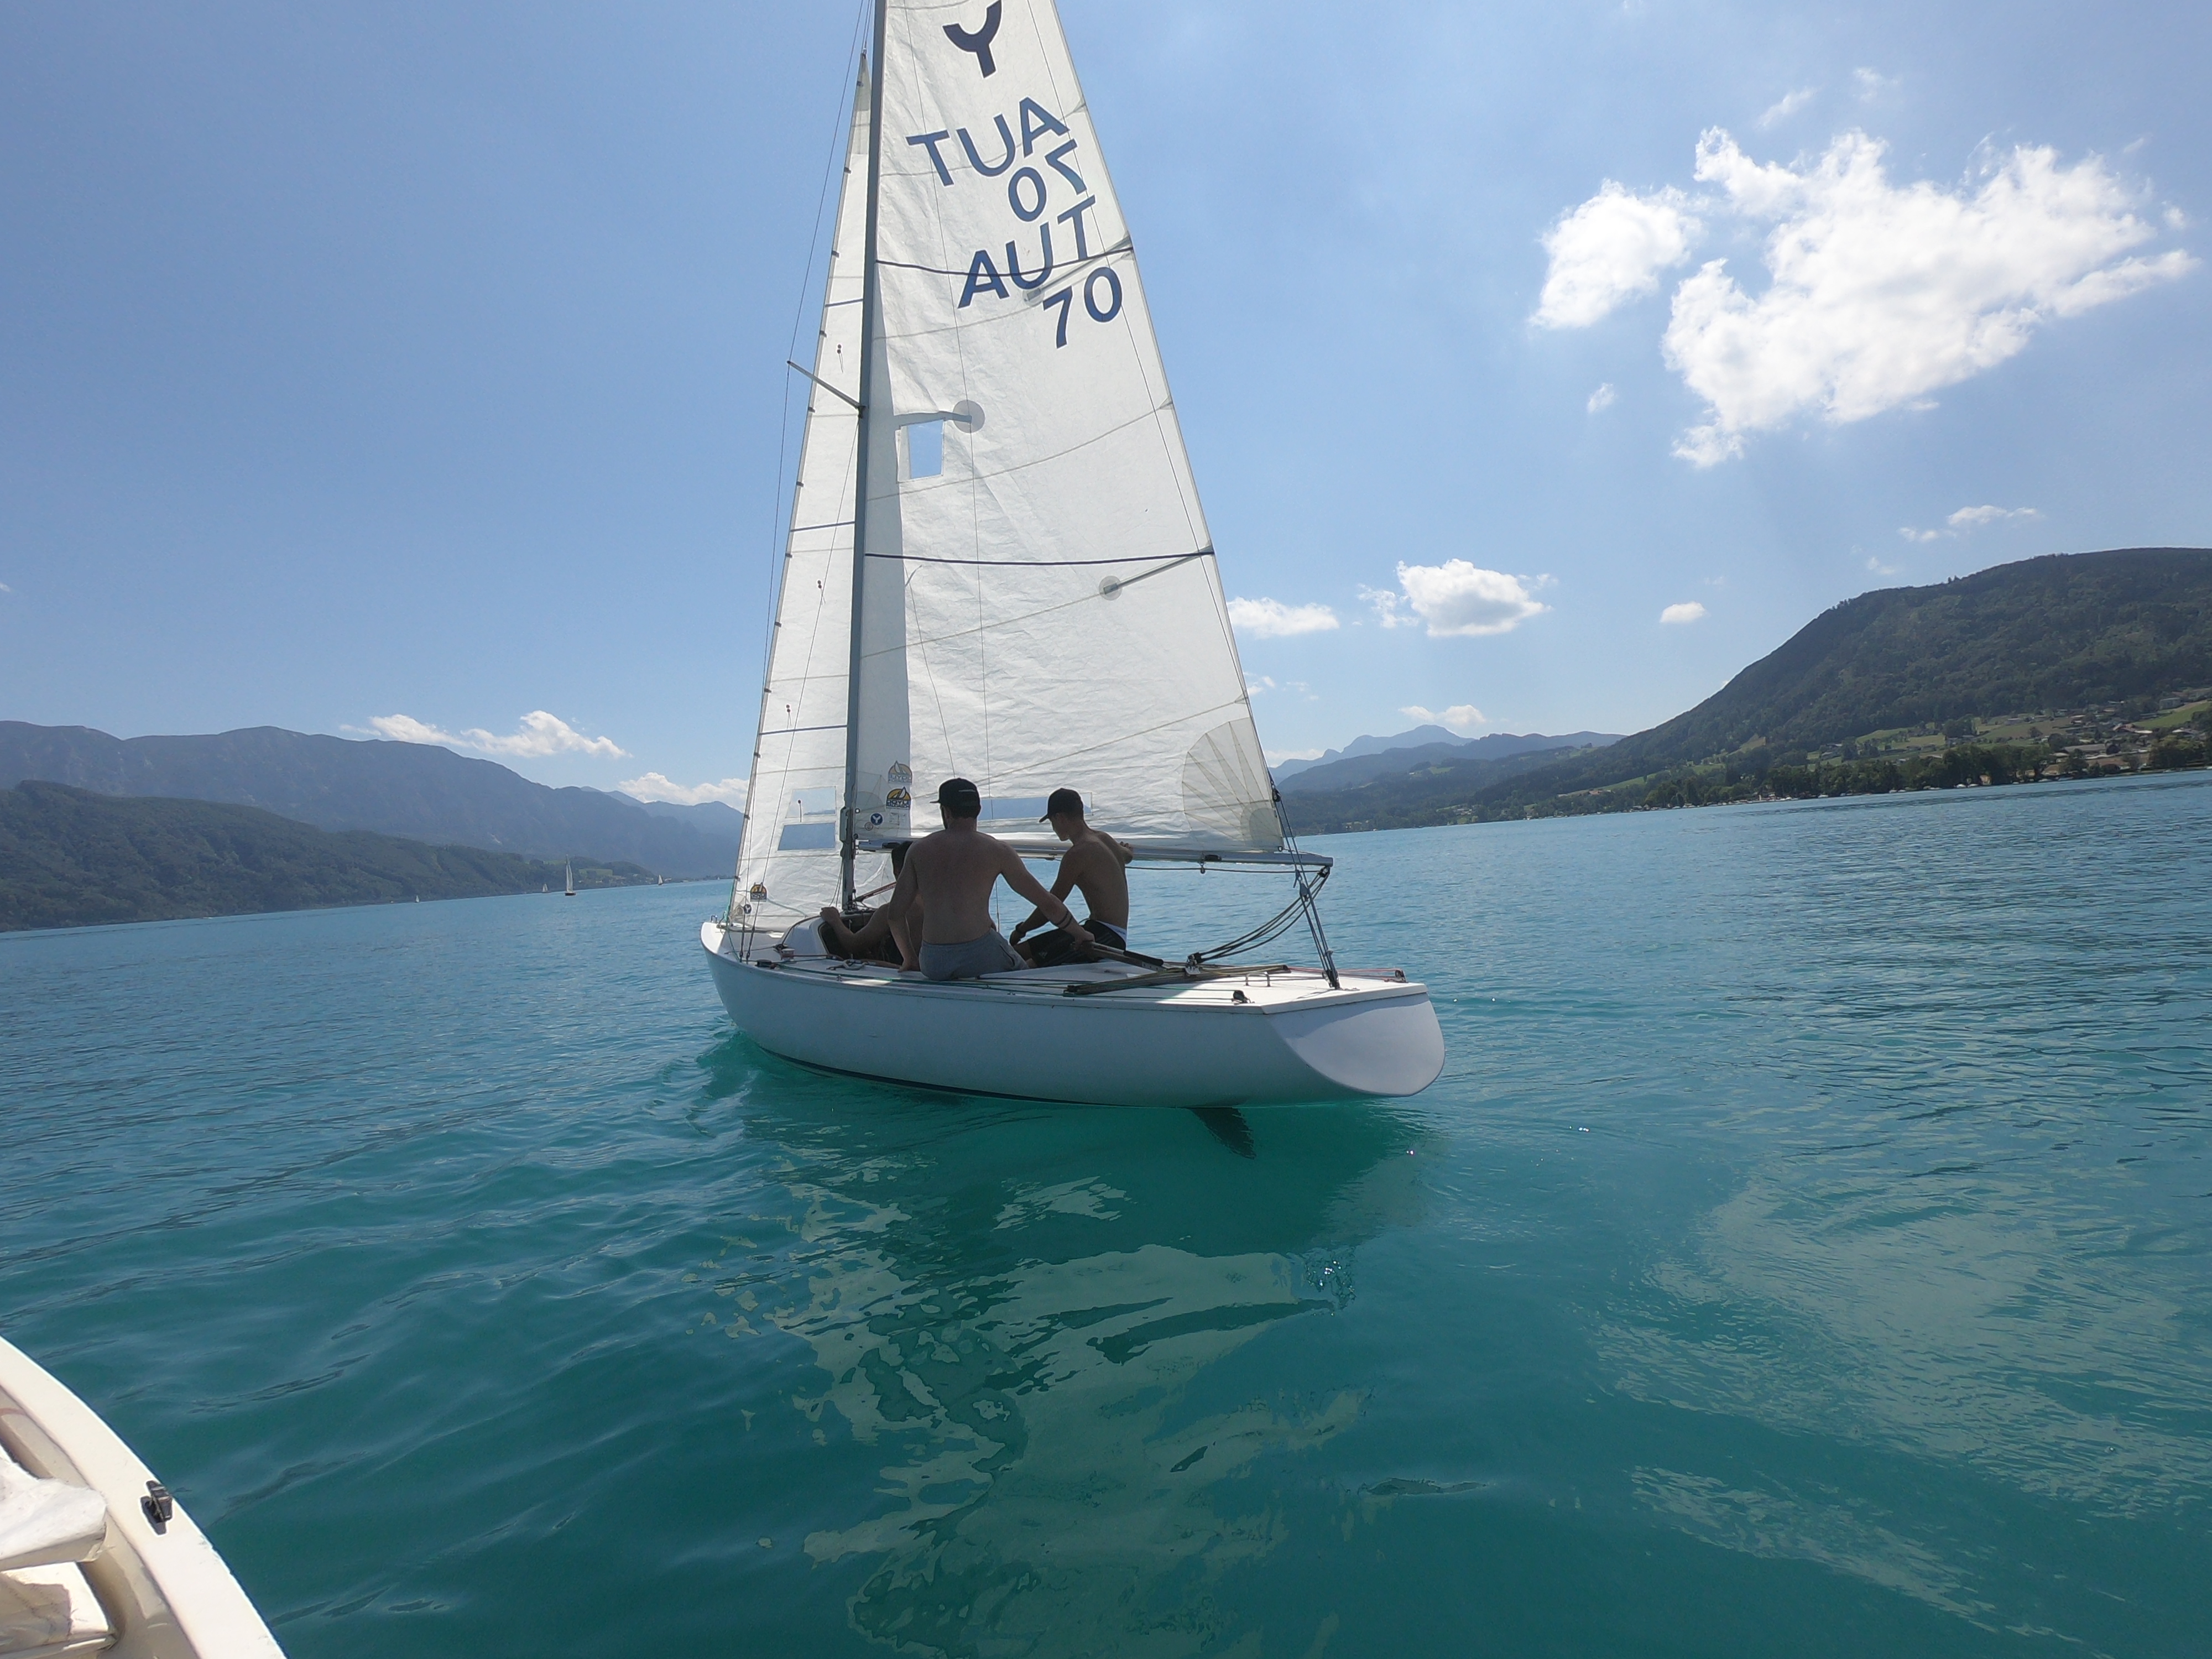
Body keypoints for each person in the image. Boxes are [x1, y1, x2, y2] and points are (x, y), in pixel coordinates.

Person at [883, 778, 1091, 980]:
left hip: (934, 961)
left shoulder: (918, 850)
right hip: (979, 954)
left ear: (946, 811)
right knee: (1024, 972)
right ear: (978, 810)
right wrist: (1081, 933)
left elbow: (895, 914)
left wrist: (910, 958)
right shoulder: (997, 851)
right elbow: (1047, 903)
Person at [1011, 787, 1135, 966]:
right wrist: (1127, 851)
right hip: (1095, 929)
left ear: (1060, 818)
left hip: (1108, 939)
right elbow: (1127, 856)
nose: (1053, 828)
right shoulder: (1104, 838)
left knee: (1028, 966)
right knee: (1018, 952)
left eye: (1052, 822)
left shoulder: (1077, 855)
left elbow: (1051, 906)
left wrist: (1021, 930)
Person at [818, 844, 922, 969]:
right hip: (935, 973)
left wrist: (835, 920)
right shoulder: (937, 904)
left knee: (862, 962)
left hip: (913, 973)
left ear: (897, 871)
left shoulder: (890, 912)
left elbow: (853, 944)